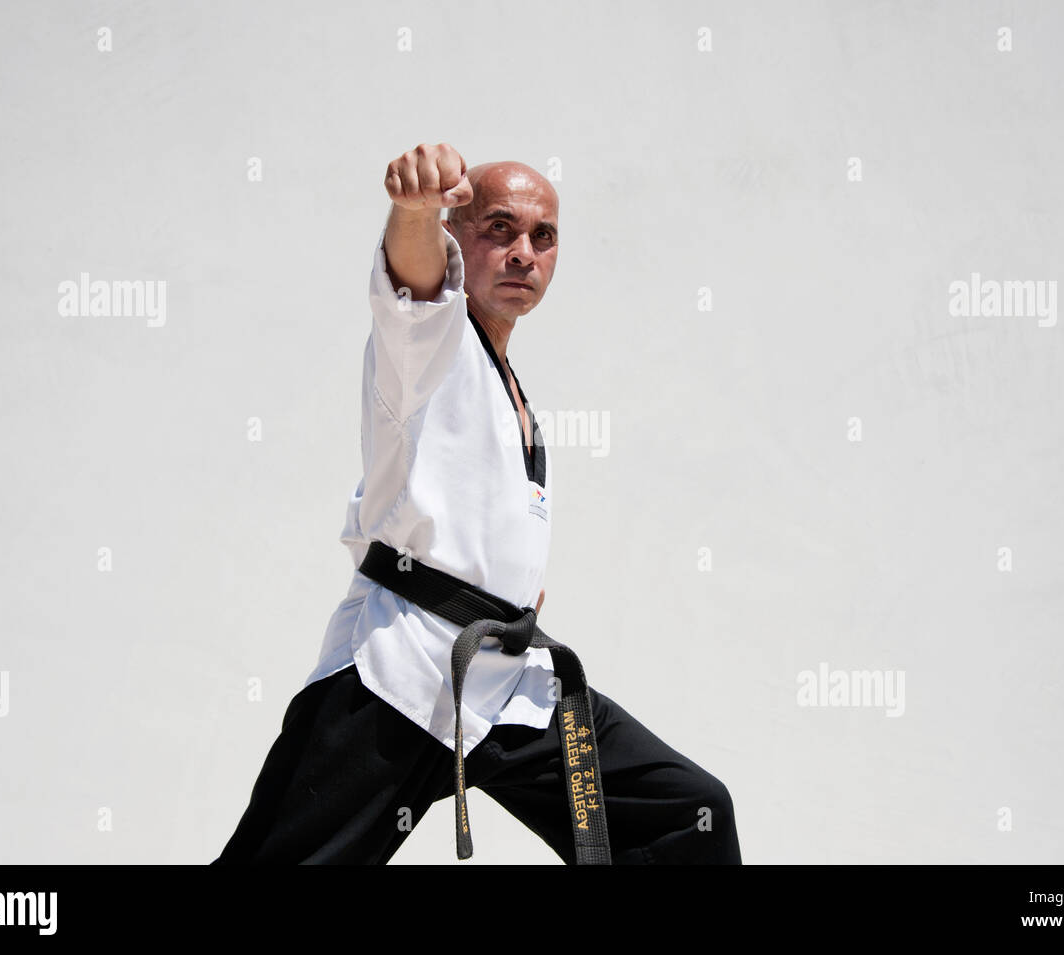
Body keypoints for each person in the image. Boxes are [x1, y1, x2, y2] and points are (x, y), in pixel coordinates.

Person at [211, 142, 741, 865]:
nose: (524, 251)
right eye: (499, 227)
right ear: (458, 238)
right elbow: (412, 281)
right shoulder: (432, 342)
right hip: (400, 674)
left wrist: (513, 587)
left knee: (684, 814)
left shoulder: (511, 385)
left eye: (542, 236)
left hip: (510, 688)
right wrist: (415, 210)